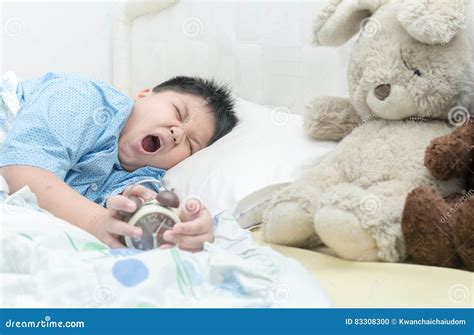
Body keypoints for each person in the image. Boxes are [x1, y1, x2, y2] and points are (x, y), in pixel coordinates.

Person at [0, 72, 238, 250]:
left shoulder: (144, 178)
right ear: (143, 96)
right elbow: (20, 172)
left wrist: (187, 230)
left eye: (190, 143)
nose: (177, 133)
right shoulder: (82, 97)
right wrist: (96, 221)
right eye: (178, 112)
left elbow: (137, 227)